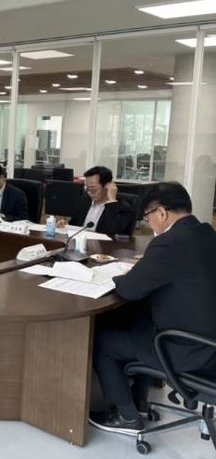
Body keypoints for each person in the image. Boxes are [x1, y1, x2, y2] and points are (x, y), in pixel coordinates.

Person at [90, 182, 216, 434]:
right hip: (208, 339)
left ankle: (126, 416)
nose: (149, 225)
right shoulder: (207, 233)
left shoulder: (170, 243)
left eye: (148, 218)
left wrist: (121, 277)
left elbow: (129, 290)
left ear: (161, 213)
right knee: (138, 322)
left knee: (103, 340)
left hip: (188, 348)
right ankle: (140, 402)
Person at [65, 166, 135, 235]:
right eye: (87, 189)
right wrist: (66, 224)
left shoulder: (124, 207)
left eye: (93, 189)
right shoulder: (84, 201)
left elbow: (114, 230)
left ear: (107, 186)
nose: (89, 193)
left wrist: (111, 201)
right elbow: (74, 225)